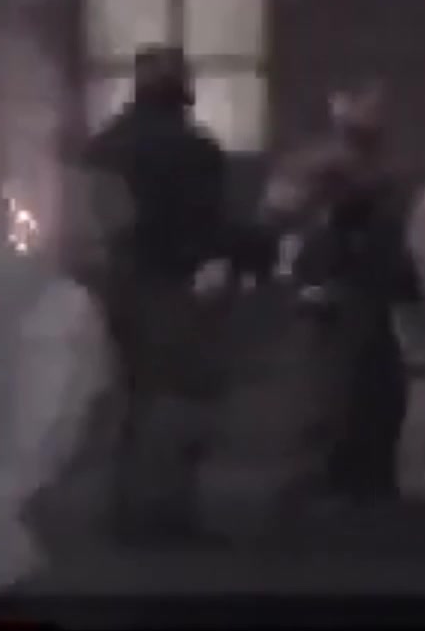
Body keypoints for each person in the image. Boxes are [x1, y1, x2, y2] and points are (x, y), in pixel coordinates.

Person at [72, 45, 259, 543]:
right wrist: (250, 246)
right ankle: (162, 515)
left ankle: (128, 512)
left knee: (134, 399)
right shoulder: (193, 150)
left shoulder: (102, 147)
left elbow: (89, 222)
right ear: (183, 90)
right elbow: (207, 225)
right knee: (176, 397)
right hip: (169, 287)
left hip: (114, 286)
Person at [257, 79, 421, 513]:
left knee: (375, 397)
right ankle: (320, 487)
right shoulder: (315, 167)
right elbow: (279, 219)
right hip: (331, 299)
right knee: (330, 396)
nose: (377, 116)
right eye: (366, 104)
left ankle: (362, 485)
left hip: (365, 299)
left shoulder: (380, 171)